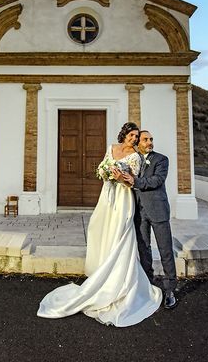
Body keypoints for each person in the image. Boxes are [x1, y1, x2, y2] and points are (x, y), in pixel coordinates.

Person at [37, 122, 162, 327]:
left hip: (123, 198)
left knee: (121, 232)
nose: (134, 139)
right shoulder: (111, 148)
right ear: (124, 134)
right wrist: (107, 173)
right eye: (132, 135)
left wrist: (121, 177)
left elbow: (134, 180)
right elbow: (101, 170)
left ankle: (118, 281)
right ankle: (102, 269)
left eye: (137, 137)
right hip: (107, 196)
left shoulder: (136, 157)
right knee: (101, 229)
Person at [120, 130, 178, 309]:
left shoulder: (161, 159)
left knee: (165, 250)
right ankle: (148, 286)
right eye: (145, 139)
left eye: (151, 139)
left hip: (158, 211)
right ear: (138, 142)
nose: (149, 142)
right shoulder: (133, 158)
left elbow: (156, 180)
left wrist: (134, 181)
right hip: (139, 212)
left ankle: (170, 290)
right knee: (144, 250)